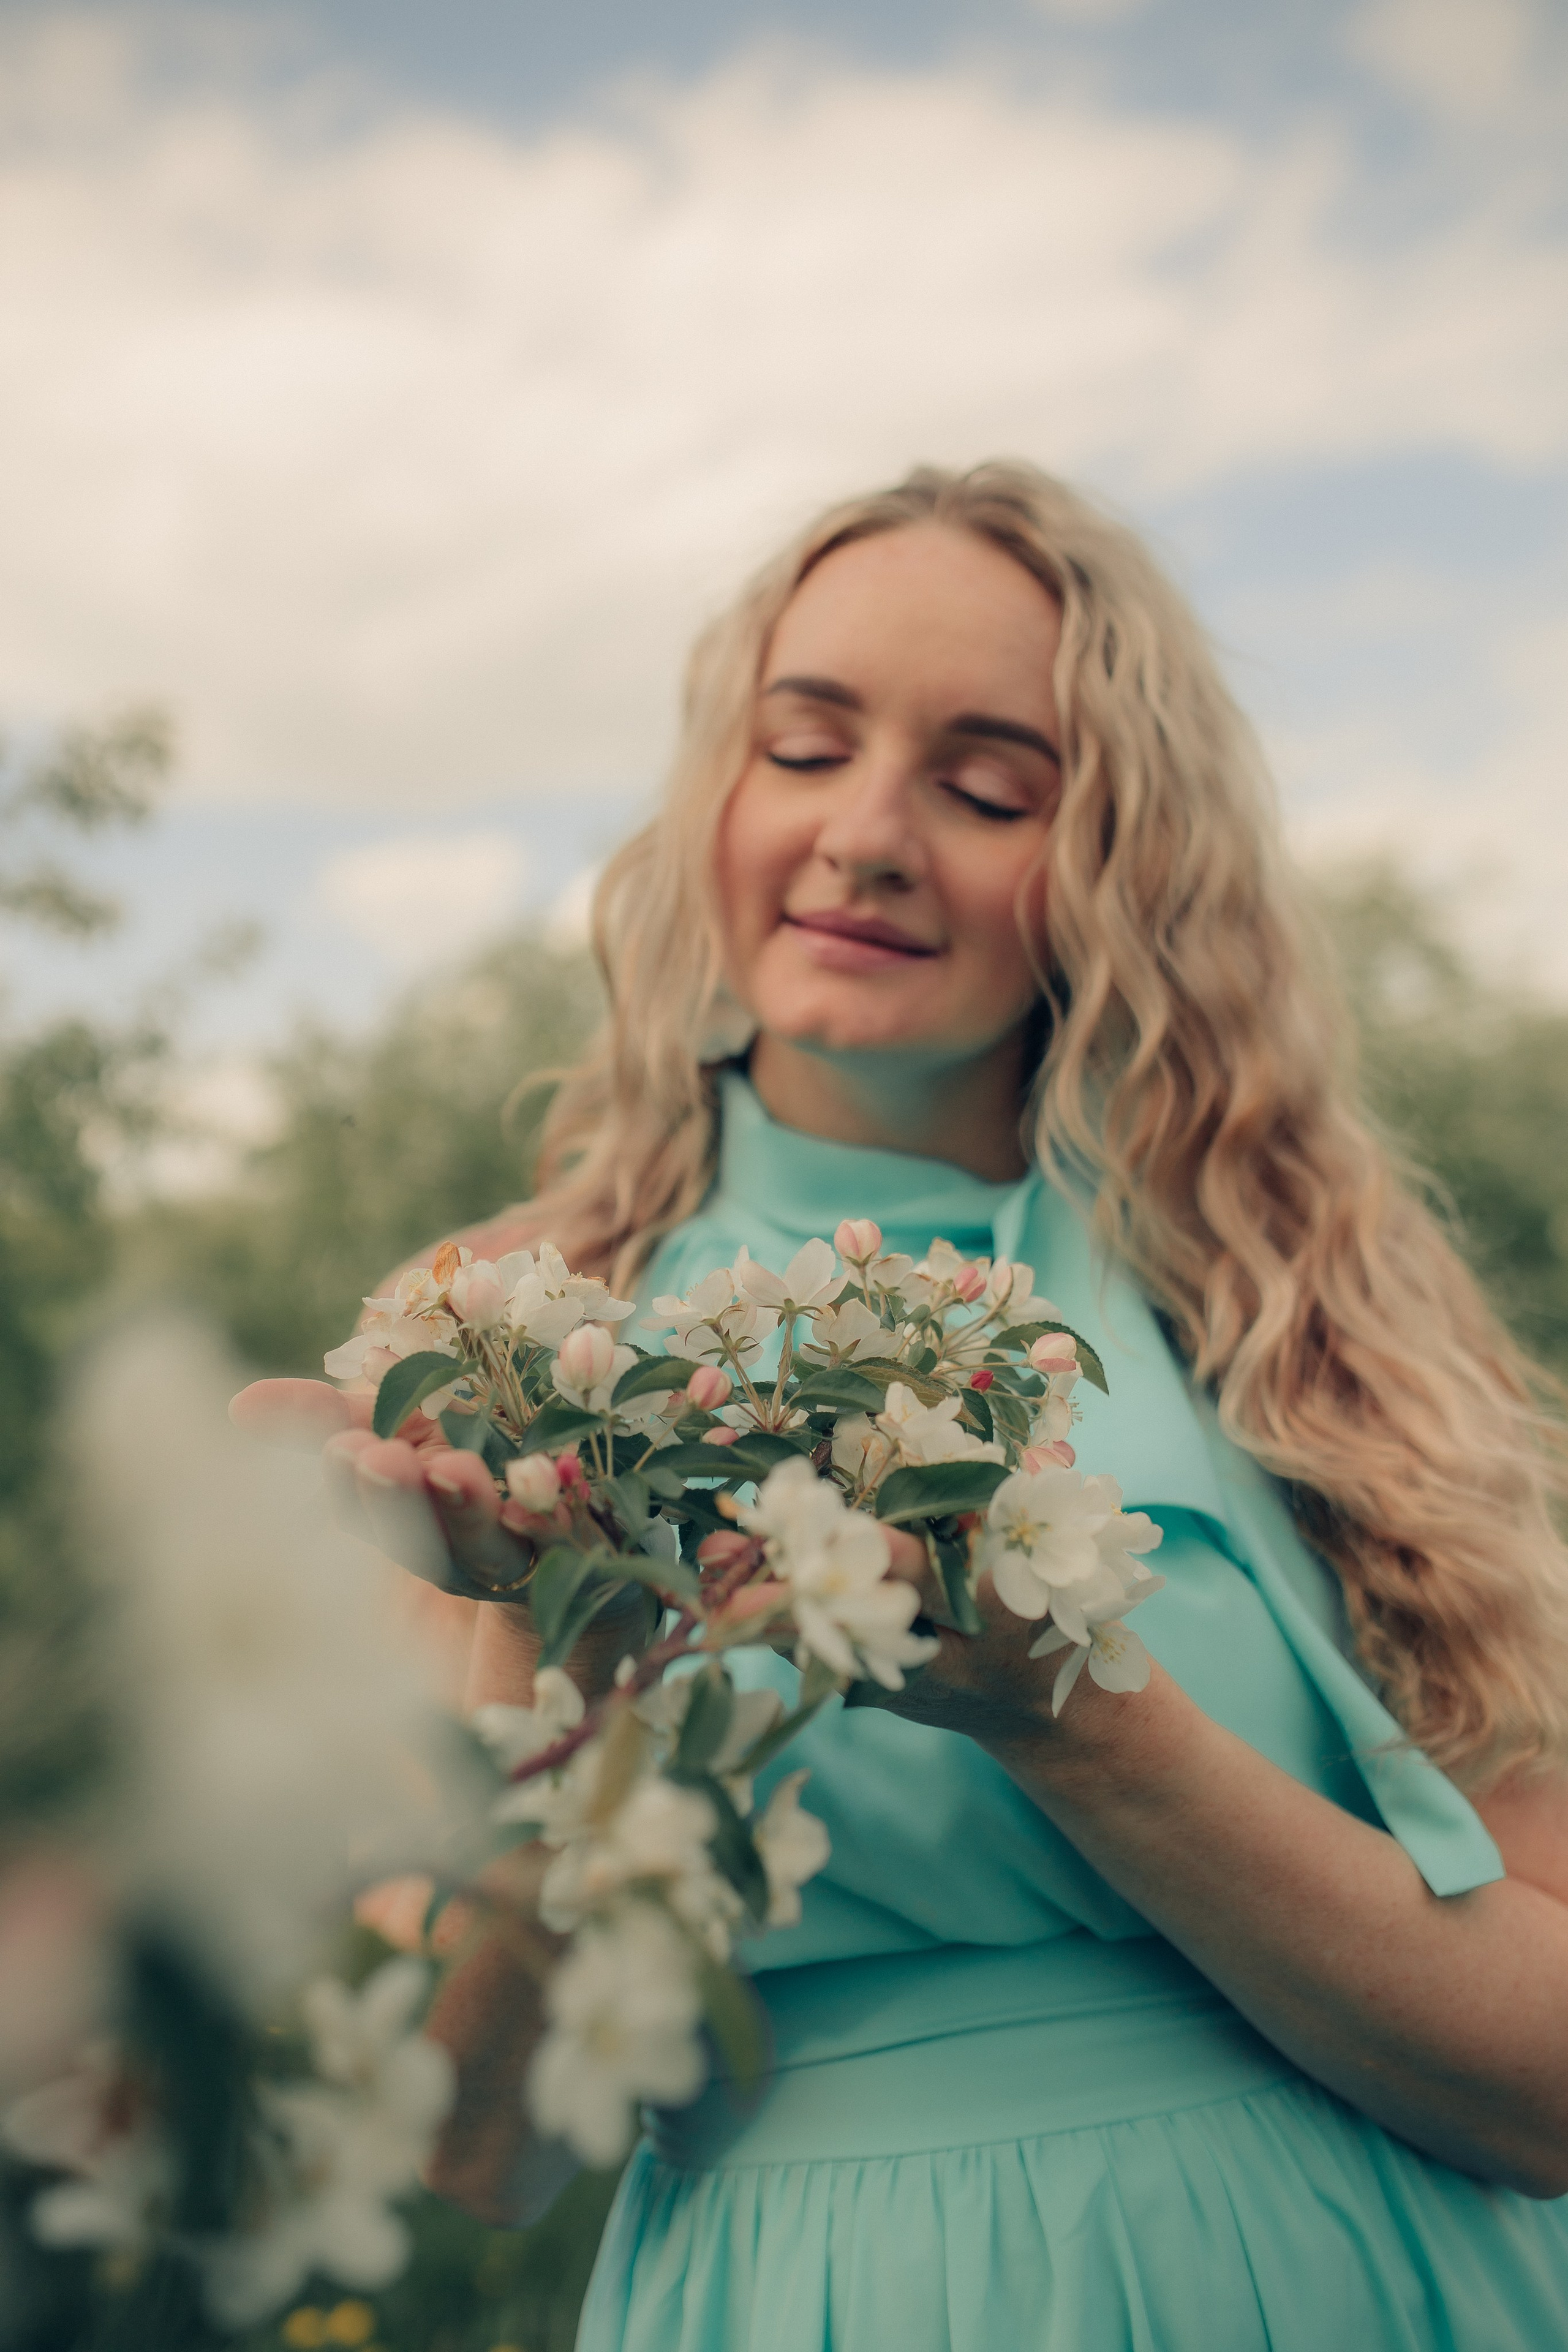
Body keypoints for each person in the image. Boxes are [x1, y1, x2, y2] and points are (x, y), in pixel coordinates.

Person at [238, 462, 1568, 2350]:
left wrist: (1088, 1736)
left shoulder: (1314, 1313)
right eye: (806, 748)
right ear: (720, 796)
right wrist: (568, 1669)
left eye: (987, 788)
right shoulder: (504, 1344)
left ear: (1118, 864)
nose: (866, 836)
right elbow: (471, 2146)